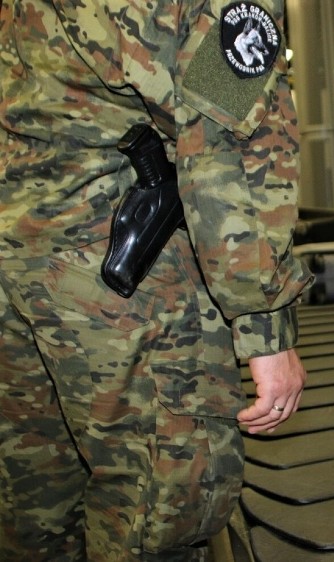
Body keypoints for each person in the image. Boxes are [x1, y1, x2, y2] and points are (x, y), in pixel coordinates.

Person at [0, 1, 312, 560]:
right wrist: (266, 326)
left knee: (37, 511)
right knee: (158, 510)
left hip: (16, 264)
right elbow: (228, 150)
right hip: (121, 279)